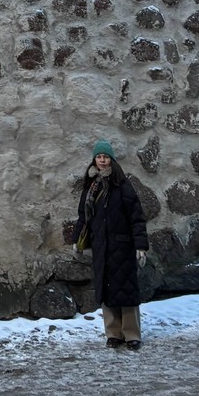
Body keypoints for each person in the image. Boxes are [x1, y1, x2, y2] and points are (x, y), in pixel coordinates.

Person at [73, 139, 149, 350]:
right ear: (94, 160)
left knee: (125, 291)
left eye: (106, 157)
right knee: (107, 291)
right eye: (99, 157)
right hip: (101, 247)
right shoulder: (91, 187)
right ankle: (113, 333)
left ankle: (132, 334)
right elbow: (84, 216)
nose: (102, 160)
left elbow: (136, 216)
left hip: (122, 246)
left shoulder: (122, 185)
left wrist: (140, 246)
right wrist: (77, 242)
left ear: (111, 160)